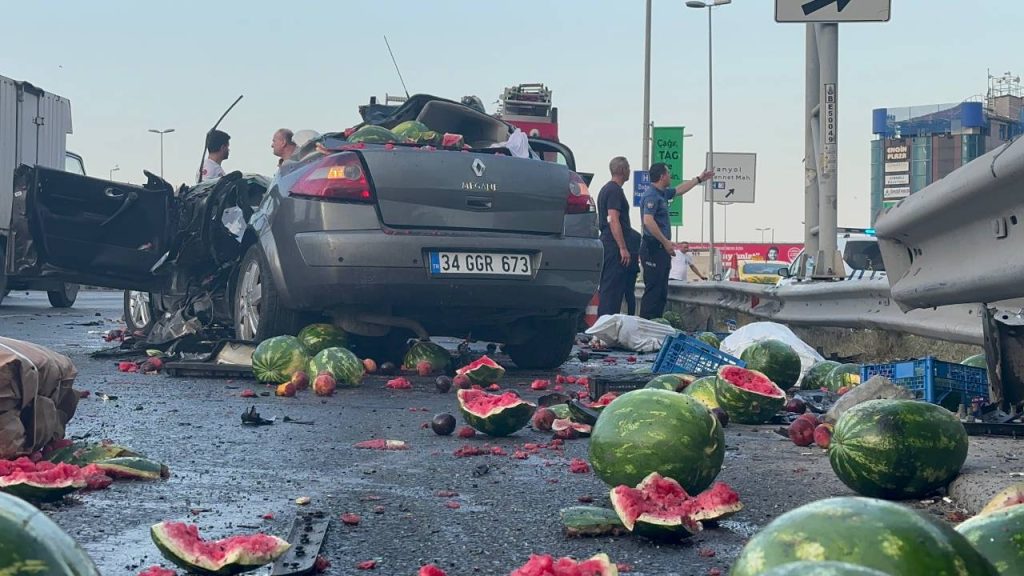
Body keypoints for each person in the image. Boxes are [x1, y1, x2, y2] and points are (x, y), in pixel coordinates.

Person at [639, 163, 714, 319]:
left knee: (661, 292)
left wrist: (699, 179)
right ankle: (646, 326)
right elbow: (648, 221)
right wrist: (665, 241)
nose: (671, 176)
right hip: (653, 249)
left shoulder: (662, 194)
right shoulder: (651, 195)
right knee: (653, 291)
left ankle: (656, 325)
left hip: (661, 250)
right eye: (668, 173)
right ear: (662, 176)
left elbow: (679, 190)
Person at [596, 157, 640, 317]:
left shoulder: (606, 189)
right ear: (623, 170)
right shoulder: (614, 191)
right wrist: (622, 247)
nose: (629, 171)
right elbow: (613, 219)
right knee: (611, 291)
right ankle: (604, 332)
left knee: (610, 290)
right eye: (628, 168)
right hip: (613, 246)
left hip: (608, 243)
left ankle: (604, 331)